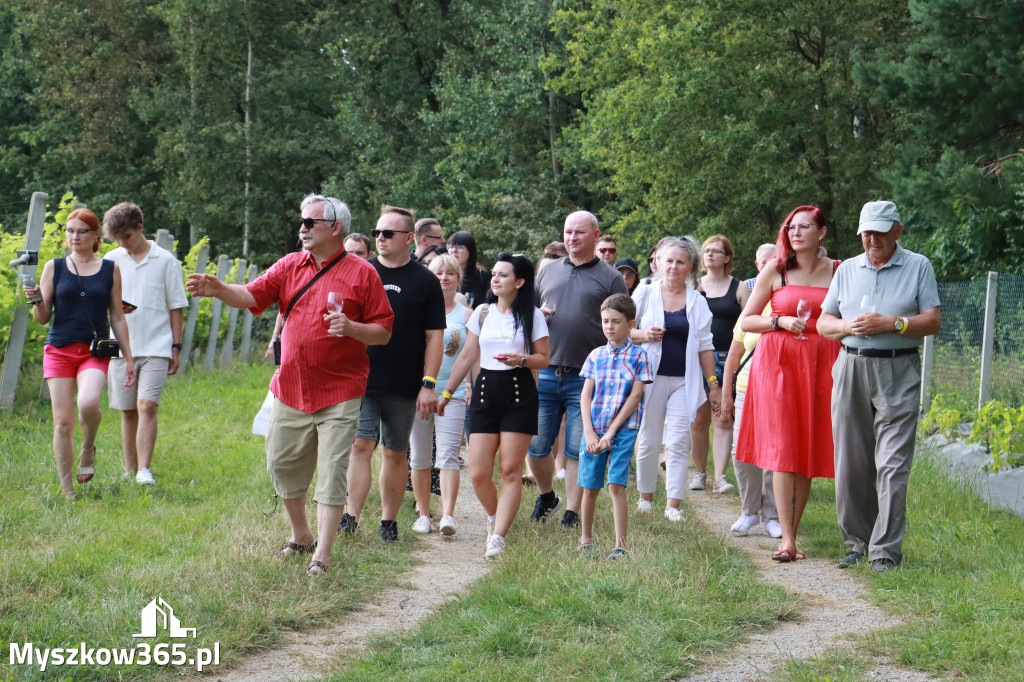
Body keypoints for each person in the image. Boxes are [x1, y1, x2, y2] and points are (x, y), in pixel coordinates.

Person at [186, 194, 393, 576]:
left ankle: (323, 557)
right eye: (302, 222)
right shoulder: (289, 265)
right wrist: (219, 288)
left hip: (342, 389)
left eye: (310, 223)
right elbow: (251, 294)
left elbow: (382, 331)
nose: (302, 228)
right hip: (291, 386)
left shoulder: (363, 273)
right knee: (280, 464)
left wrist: (351, 328)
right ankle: (301, 536)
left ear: (335, 228)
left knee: (332, 470)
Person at [818, 200, 941, 571]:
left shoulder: (918, 265)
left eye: (881, 231)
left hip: (897, 369)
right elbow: (825, 322)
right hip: (851, 365)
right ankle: (858, 542)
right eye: (866, 232)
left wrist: (893, 324)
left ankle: (885, 550)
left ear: (897, 231)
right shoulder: (847, 269)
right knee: (851, 461)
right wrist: (848, 327)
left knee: (892, 462)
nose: (872, 239)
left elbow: (932, 321)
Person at [736, 205, 841, 563]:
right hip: (779, 363)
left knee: (805, 450)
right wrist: (777, 322)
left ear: (821, 232)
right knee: (782, 449)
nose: (795, 233)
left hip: (822, 364)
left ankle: (792, 530)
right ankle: (787, 540)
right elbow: (748, 320)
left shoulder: (840, 271)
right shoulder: (776, 270)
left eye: (805, 227)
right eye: (791, 227)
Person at [343, 206, 445, 543]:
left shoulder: (426, 281)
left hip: (405, 382)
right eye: (377, 233)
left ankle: (389, 522)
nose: (381, 239)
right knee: (360, 445)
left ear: (408, 239)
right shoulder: (361, 271)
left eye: (388, 233)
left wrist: (428, 384)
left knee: (395, 451)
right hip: (361, 377)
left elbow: (434, 337)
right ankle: (350, 517)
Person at [438, 252, 550, 558]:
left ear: (520, 282)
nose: (495, 279)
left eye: (503, 275)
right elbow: (467, 355)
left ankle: (499, 536)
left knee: (510, 471)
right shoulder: (482, 313)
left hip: (519, 392)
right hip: (485, 392)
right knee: (478, 473)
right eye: (495, 274)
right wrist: (447, 394)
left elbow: (544, 358)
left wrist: (522, 360)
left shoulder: (533, 315)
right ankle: (494, 517)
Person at [24, 209, 136, 498]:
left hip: (93, 350)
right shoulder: (55, 267)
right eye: (70, 231)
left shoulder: (110, 269)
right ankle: (67, 490)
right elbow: (43, 317)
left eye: (82, 231)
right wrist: (36, 299)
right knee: (62, 422)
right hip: (59, 349)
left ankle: (88, 448)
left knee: (87, 403)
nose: (75, 236)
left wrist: (129, 357)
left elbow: (117, 316)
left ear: (96, 235)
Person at [528, 211, 628, 530]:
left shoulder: (611, 276)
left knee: (577, 448)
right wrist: (535, 316)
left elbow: (622, 325)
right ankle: (547, 496)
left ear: (595, 236)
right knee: (535, 444)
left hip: (586, 378)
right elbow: (526, 314)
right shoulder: (546, 271)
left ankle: (571, 513)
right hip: (544, 369)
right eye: (568, 232)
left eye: (580, 232)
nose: (572, 237)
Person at [631, 237, 720, 521]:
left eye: (680, 262)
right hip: (649, 379)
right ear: (657, 262)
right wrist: (645, 335)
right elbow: (622, 332)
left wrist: (713, 384)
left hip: (685, 381)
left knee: (679, 441)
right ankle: (645, 498)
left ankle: (673, 506)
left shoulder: (698, 302)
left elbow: (705, 346)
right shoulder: (644, 293)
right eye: (668, 260)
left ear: (690, 267)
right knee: (648, 439)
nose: (673, 266)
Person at [100, 203, 188, 486]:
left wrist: (176, 346)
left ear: (140, 227)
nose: (123, 243)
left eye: (127, 235)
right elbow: (100, 301)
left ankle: (144, 470)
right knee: (128, 411)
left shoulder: (166, 261)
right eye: (118, 239)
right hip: (120, 347)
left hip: (157, 347)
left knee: (147, 405)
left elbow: (176, 306)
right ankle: (129, 469)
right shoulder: (111, 259)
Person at [578, 294, 652, 558]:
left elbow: (635, 397)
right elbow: (586, 395)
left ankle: (620, 545)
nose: (609, 327)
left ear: (630, 324)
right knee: (590, 486)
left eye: (616, 322)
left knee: (616, 485)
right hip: (594, 429)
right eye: (605, 321)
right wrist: (589, 432)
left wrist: (610, 433)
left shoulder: (639, 356)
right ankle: (585, 538)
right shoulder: (595, 356)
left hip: (623, 431)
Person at [409, 254, 473, 536]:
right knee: (420, 456)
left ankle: (448, 515)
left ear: (458, 279)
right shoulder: (417, 311)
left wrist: (472, 387)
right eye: (438, 273)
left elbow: (472, 357)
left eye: (450, 273)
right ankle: (423, 514)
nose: (444, 278)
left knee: (448, 455)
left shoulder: (467, 315)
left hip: (454, 392)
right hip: (419, 393)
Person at [690, 235, 749, 493]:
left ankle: (720, 477)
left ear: (727, 257)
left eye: (716, 251)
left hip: (728, 358)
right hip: (698, 358)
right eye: (706, 251)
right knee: (699, 420)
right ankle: (700, 473)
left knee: (724, 418)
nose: (710, 255)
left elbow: (749, 323)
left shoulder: (740, 287)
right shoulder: (694, 287)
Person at [721, 315, 781, 537]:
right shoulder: (754, 308)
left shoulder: (792, 303)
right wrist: (727, 394)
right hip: (747, 389)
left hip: (779, 388)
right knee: (741, 453)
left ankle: (773, 516)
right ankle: (749, 512)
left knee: (775, 454)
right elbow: (734, 355)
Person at [446, 231, 490, 308]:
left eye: (460, 247)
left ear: (471, 251)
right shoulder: (442, 276)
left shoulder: (483, 277)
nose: (454, 251)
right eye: (451, 246)